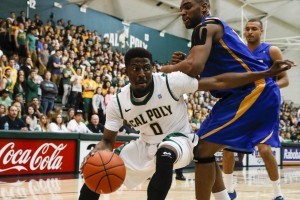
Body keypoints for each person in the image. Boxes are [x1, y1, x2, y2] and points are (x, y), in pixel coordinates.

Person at [78, 47, 293, 200]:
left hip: (181, 141)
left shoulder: (171, 82)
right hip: (145, 144)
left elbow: (217, 81)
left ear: (153, 68)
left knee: (164, 153)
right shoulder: (118, 101)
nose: (141, 73)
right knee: (98, 169)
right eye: (135, 69)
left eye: (146, 68)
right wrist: (95, 153)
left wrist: (264, 74)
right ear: (127, 71)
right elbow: (107, 140)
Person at [159, 1, 295, 199]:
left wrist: (165, 70)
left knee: (211, 148)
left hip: (255, 91)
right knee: (200, 148)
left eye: (188, 6)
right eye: (181, 8)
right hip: (236, 93)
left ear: (204, 7)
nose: (182, 12)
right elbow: (199, 73)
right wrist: (183, 65)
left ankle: (277, 194)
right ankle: (225, 195)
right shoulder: (209, 31)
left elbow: (195, 68)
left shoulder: (206, 27)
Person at [222, 18, 289, 200]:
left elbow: (285, 79)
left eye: (254, 29)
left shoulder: (271, 51)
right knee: (227, 149)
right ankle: (229, 191)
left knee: (265, 150)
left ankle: (278, 194)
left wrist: (270, 87)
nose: (250, 32)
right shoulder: (238, 51)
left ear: (261, 31)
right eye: (247, 29)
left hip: (265, 106)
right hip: (243, 106)